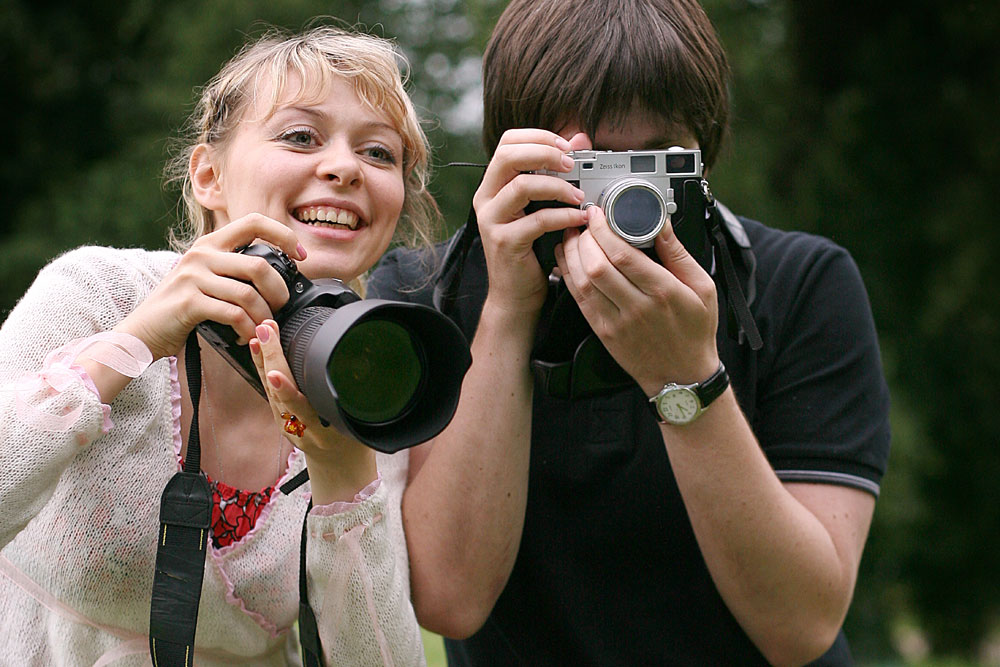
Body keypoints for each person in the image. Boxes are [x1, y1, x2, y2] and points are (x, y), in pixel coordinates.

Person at [370, 0, 891, 664]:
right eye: (590, 169)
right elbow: (449, 599)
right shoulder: (428, 292)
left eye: (651, 165)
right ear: (514, 152)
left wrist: (686, 376)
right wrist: (506, 312)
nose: (621, 199)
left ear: (702, 156)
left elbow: (802, 625)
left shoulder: (799, 283)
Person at [0, 24, 438, 665]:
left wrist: (345, 480)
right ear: (209, 175)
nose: (345, 167)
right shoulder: (99, 294)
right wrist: (133, 346)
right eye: (300, 136)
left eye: (379, 153)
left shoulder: (371, 377)